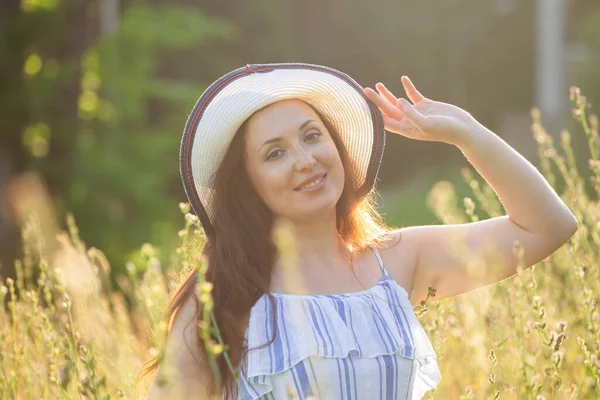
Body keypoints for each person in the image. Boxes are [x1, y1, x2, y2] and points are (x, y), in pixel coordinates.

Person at [138, 63, 578, 399]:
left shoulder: (397, 261)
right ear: (248, 184)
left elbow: (548, 226)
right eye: (275, 153)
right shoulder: (223, 294)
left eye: (312, 136)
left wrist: (467, 134)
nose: (305, 159)